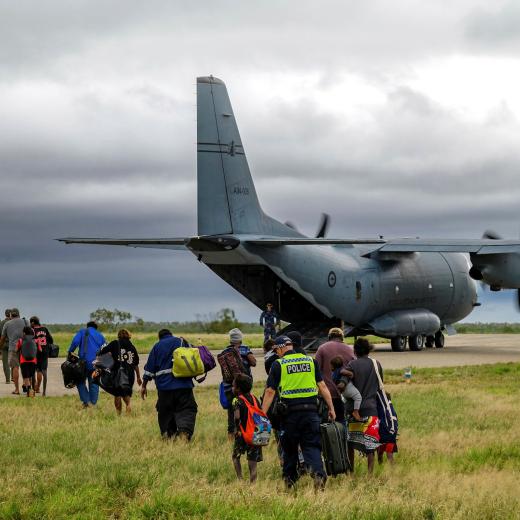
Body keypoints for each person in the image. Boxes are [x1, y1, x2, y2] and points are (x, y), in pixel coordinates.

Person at [262, 335, 335, 490]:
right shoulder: (310, 361)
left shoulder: (278, 364)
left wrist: (262, 413)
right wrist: (331, 408)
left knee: (289, 450)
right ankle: (318, 475)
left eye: (276, 350)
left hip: (290, 416)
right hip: (311, 414)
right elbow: (322, 386)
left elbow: (269, 392)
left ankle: (290, 482)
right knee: (312, 447)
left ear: (281, 347)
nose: (277, 353)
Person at [141, 329, 197, 440]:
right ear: (171, 334)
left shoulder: (157, 346)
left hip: (164, 388)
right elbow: (194, 353)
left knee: (165, 412)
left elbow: (149, 369)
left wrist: (144, 385)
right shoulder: (181, 342)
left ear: (159, 337)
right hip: (184, 385)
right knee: (186, 409)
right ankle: (184, 432)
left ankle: (168, 435)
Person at [342, 337, 383, 474]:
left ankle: (351, 471)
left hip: (353, 410)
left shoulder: (352, 365)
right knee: (370, 444)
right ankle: (370, 474)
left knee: (351, 443)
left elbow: (344, 383)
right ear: (369, 349)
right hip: (371, 409)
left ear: (355, 350)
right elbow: (379, 385)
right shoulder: (376, 364)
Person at [220, 328, 257, 441]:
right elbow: (254, 362)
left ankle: (231, 435)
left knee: (232, 411)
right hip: (243, 387)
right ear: (240, 339)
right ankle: (245, 431)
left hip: (229, 387)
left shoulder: (224, 352)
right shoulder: (245, 349)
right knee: (245, 409)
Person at [97, 329, 142, 414]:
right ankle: (128, 408)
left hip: (118, 373)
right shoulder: (132, 347)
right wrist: (138, 377)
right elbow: (136, 364)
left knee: (117, 394)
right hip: (130, 374)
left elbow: (102, 352)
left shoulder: (115, 343)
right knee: (126, 393)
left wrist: (109, 356)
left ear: (118, 335)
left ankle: (118, 414)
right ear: (128, 335)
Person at [314, 327, 354, 424]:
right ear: (342, 338)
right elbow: (354, 370)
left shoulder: (322, 348)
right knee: (342, 422)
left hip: (326, 394)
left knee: (326, 424)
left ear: (329, 337)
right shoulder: (349, 350)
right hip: (345, 393)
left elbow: (315, 370)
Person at [231, 374, 263, 483]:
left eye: (233, 386)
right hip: (256, 433)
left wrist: (236, 428)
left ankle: (240, 479)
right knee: (252, 459)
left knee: (236, 456)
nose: (232, 388)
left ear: (238, 389)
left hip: (242, 434)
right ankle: (253, 482)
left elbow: (237, 416)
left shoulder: (236, 400)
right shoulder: (255, 399)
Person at [68, 321, 106, 408]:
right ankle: (92, 403)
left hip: (83, 363)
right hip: (96, 363)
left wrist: (70, 351)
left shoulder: (82, 332)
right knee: (94, 383)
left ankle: (86, 400)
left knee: (80, 381)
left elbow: (75, 342)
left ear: (87, 326)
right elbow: (105, 348)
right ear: (96, 327)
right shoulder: (100, 335)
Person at [0, 308, 26, 395]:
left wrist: (0, 347)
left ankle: (16, 389)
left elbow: (2, 338)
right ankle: (26, 385)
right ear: (19, 314)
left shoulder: (6, 323)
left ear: (11, 315)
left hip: (12, 348)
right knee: (25, 366)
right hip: (24, 347)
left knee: (14, 367)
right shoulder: (25, 322)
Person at [330, 356, 363, 422]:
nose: (330, 367)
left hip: (343, 392)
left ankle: (348, 414)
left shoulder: (333, 374)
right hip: (348, 387)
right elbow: (343, 372)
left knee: (346, 402)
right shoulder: (341, 370)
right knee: (358, 397)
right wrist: (351, 374)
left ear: (334, 366)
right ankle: (356, 412)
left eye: (331, 365)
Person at [30, 316, 53, 396]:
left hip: (36, 352)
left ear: (33, 322)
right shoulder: (45, 329)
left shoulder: (32, 330)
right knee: (44, 370)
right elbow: (51, 340)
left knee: (37, 370)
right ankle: (42, 391)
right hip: (45, 352)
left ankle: (35, 388)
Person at [377, 392, 398, 465]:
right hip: (391, 434)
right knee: (389, 455)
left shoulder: (382, 408)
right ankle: (392, 472)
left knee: (380, 453)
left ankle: (381, 466)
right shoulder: (391, 408)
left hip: (384, 434)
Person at [16, 326, 38, 397]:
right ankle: (32, 391)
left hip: (23, 361)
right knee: (31, 376)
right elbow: (39, 349)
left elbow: (16, 350)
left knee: (26, 377)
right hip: (33, 361)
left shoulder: (21, 340)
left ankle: (29, 392)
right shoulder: (35, 340)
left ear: (24, 332)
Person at [0, 309, 11, 384]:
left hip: (4, 344)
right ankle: (14, 377)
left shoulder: (2, 323)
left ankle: (8, 379)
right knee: (14, 362)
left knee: (5, 363)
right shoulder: (13, 322)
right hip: (12, 344)